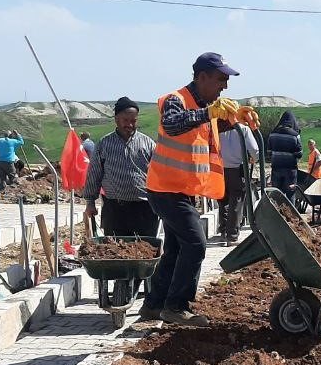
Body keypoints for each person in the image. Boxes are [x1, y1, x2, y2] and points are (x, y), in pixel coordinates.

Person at [143, 52, 257, 327]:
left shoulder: (203, 105)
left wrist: (234, 120)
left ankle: (154, 305)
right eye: (221, 79)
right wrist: (209, 112)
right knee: (195, 243)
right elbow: (172, 124)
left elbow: (205, 126)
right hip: (164, 189)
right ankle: (176, 307)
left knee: (175, 249)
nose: (225, 87)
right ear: (202, 76)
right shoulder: (177, 100)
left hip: (180, 190)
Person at [83, 97, 159, 237]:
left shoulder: (148, 144)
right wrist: (90, 202)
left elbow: (159, 175)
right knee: (115, 252)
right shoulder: (104, 144)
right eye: (126, 120)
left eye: (133, 121)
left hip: (145, 210)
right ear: (116, 119)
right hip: (115, 210)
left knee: (146, 251)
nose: (130, 125)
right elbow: (94, 174)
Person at [218, 121, 259, 244]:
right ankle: (232, 235)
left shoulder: (219, 127)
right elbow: (255, 150)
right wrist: (254, 159)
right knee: (237, 201)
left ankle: (224, 230)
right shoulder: (243, 129)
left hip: (220, 169)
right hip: (238, 168)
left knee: (223, 199)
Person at [267, 110, 302, 195]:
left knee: (276, 195)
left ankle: (276, 208)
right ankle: (289, 208)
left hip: (276, 169)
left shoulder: (272, 134)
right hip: (290, 170)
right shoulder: (295, 135)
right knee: (290, 195)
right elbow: (299, 154)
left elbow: (269, 152)